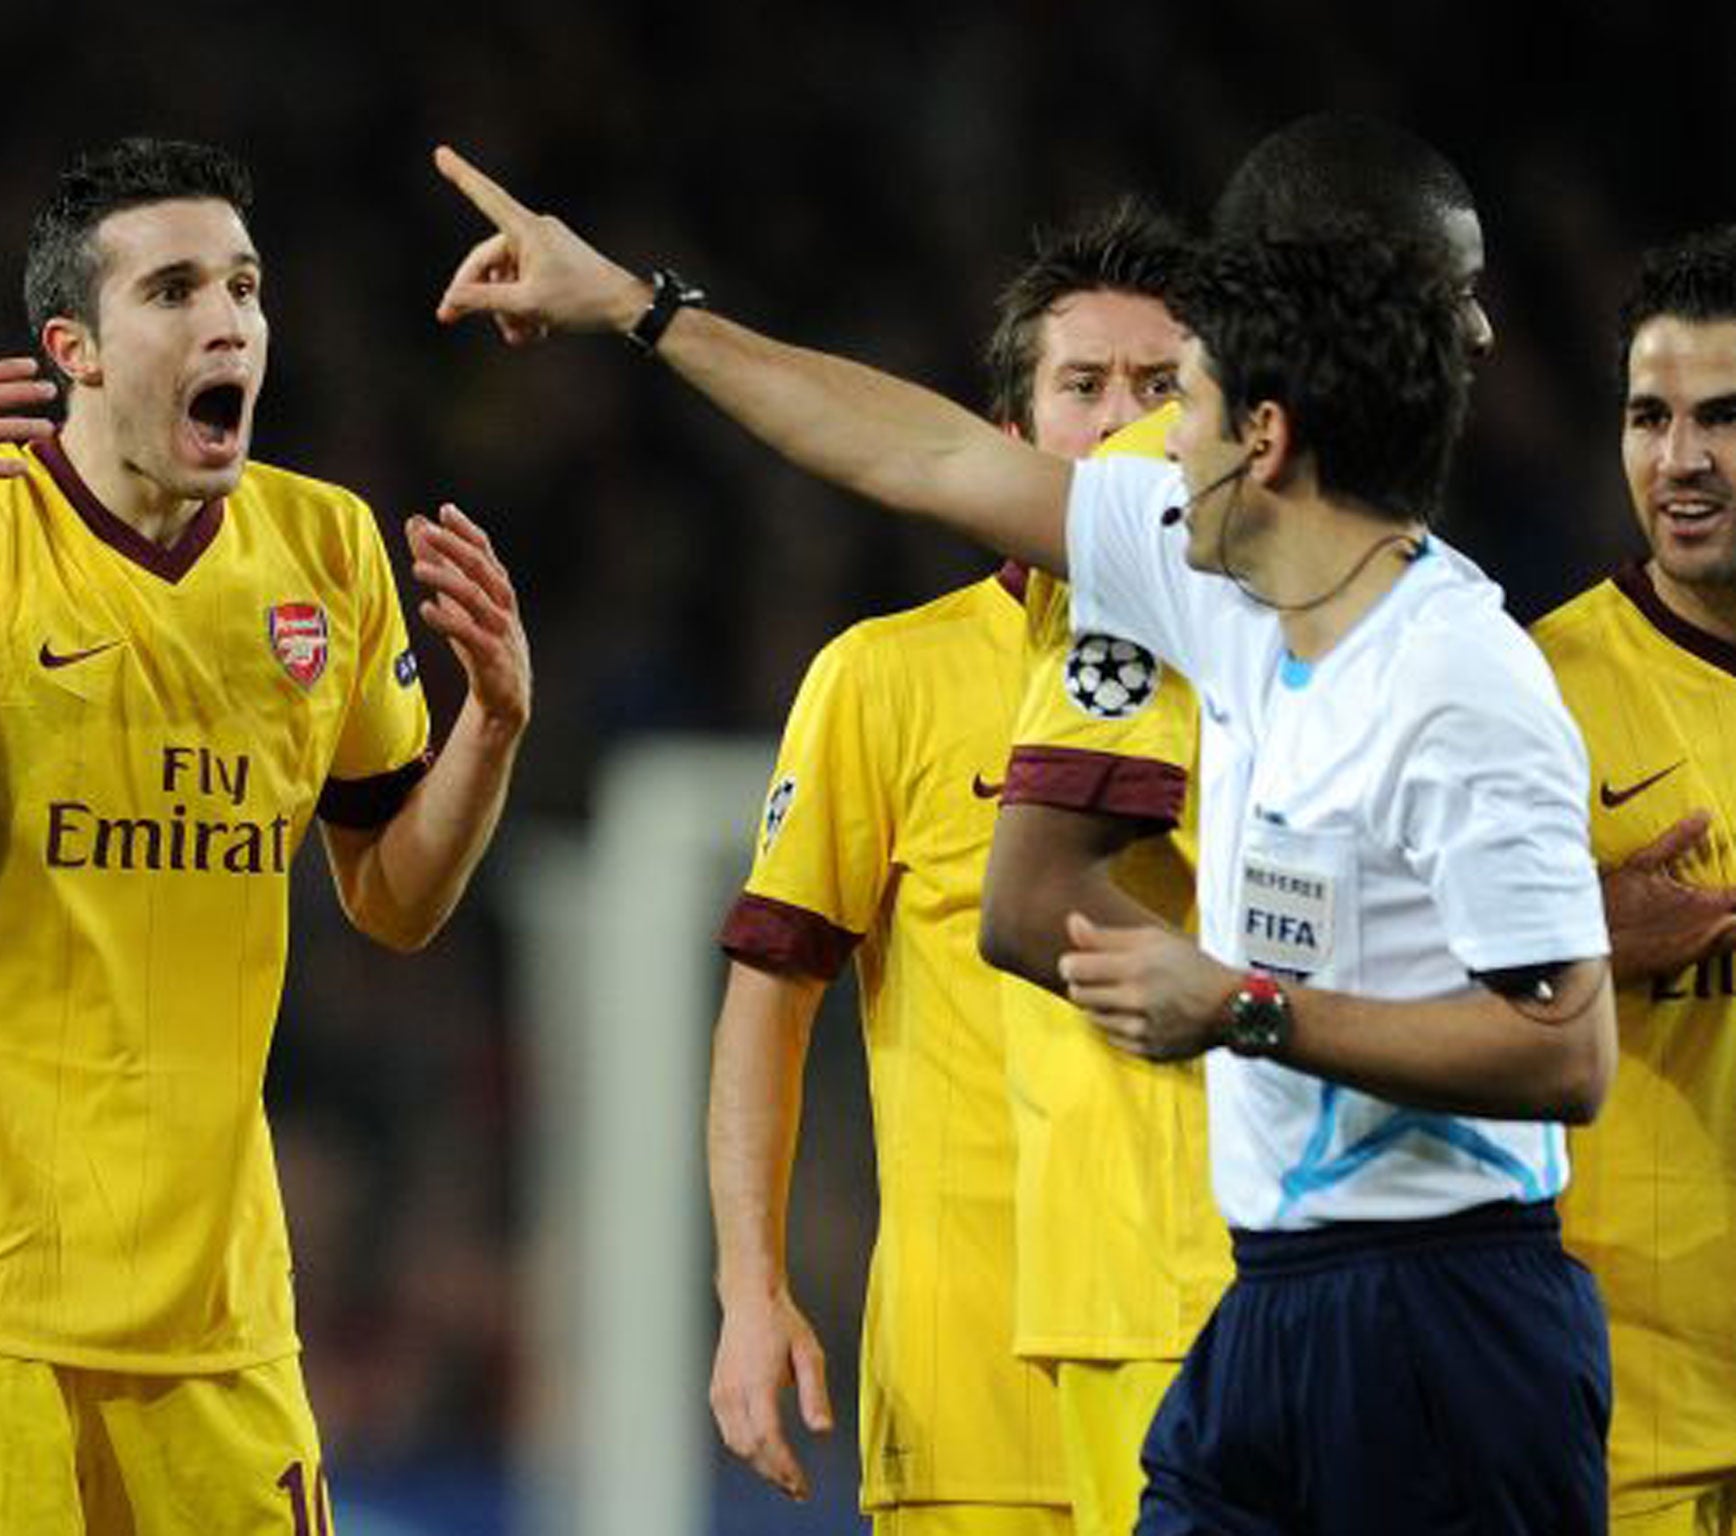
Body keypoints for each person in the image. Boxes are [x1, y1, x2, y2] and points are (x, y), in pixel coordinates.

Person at [432, 148, 1616, 1533]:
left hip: (1445, 1304)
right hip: (1274, 1304)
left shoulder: (1461, 677)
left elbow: (1568, 1053)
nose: (1153, 445)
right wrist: (638, 305)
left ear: (1271, 441)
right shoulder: (1225, 596)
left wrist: (1245, 1009)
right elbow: (915, 449)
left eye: (1188, 405)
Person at [0, 137, 531, 1536]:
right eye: (175, 290)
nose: (230, 321)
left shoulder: (325, 554)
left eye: (247, 287)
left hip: (213, 1316)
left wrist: (492, 731)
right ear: (73, 349)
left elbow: (392, 900)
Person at [976, 116, 1497, 1536]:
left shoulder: (1364, 532)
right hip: (1179, 1272)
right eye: (1454, 295)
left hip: (1323, 1259)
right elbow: (1028, 900)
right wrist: (1286, 1011)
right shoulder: (1180, 501)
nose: (1486, 331)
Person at [705, 204, 1191, 1535]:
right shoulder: (884, 679)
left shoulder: (1258, 659)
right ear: (1016, 441)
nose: (1122, 421)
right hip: (967, 1384)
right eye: (1083, 387)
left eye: (1161, 386)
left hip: (1207, 1354)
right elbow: (772, 997)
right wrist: (752, 1287)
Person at [1534, 226, 1736, 1535]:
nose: (1684, 462)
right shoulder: (1536, 690)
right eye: (1649, 416)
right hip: (1631, 1425)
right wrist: (1579, 930)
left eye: (1725, 417)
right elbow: (1381, 992)